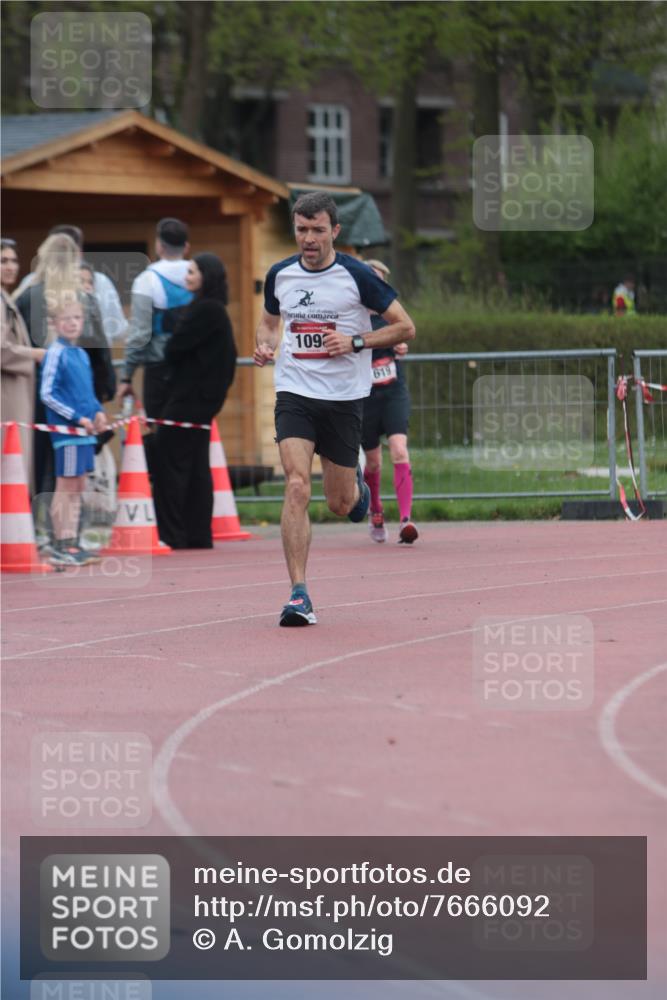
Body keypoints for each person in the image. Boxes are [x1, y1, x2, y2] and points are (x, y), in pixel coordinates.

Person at [254, 191, 416, 627]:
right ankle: (299, 594)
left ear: (335, 231)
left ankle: (359, 491)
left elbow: (405, 326)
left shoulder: (358, 276)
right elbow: (271, 321)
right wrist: (266, 345)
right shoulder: (280, 275)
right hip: (295, 393)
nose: (308, 238)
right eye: (301, 229)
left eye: (317, 230)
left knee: (341, 503)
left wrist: (356, 341)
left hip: (344, 399)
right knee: (296, 485)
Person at [153, 253, 237, 549]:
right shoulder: (212, 310)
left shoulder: (207, 311)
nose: (186, 276)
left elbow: (174, 349)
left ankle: (174, 533)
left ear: (206, 276)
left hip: (189, 401)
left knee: (170, 464)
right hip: (200, 401)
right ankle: (196, 533)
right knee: (196, 465)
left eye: (192, 271)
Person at [39, 296, 109, 566]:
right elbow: (47, 393)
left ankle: (73, 542)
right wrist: (78, 418)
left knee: (78, 485)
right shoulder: (55, 352)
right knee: (65, 485)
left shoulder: (80, 354)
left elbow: (87, 393)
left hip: (85, 433)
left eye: (76, 318)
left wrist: (98, 412)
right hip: (67, 433)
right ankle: (61, 544)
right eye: (65, 318)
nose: (71, 323)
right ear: (54, 323)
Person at [361, 259, 418, 545]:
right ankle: (376, 511)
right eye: (372, 278)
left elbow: (406, 334)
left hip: (393, 393)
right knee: (372, 463)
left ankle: (406, 520)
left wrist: (402, 345)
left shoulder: (395, 316)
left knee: (399, 449)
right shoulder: (352, 319)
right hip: (365, 398)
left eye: (381, 279)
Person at [117, 218, 192, 422]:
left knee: (161, 436)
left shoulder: (146, 280)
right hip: (195, 368)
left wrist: (127, 375)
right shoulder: (199, 276)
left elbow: (140, 333)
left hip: (161, 369)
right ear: (186, 247)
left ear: (159, 246)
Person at [14, 224, 127, 344]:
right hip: (85, 357)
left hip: (38, 359)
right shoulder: (100, 283)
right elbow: (118, 330)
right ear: (78, 253)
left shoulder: (29, 286)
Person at [1, 239, 46, 491]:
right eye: (3, 261)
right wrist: (35, 354)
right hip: (6, 397)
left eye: (13, 260)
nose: (10, 266)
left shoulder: (5, 297)